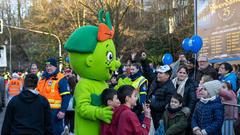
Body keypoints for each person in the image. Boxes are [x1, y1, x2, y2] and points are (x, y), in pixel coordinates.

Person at [36, 58, 71, 135]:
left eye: (50, 66)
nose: (48, 68)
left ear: (55, 67)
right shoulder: (43, 78)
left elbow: (66, 96)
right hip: (42, 111)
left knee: (55, 132)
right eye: (47, 66)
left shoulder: (61, 78)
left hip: (55, 113)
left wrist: (63, 110)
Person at [149, 65, 176, 129]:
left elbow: (166, 105)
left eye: (161, 73)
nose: (158, 74)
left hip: (160, 118)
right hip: (151, 114)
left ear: (167, 76)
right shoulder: (156, 81)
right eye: (158, 73)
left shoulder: (170, 89)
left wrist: (151, 103)